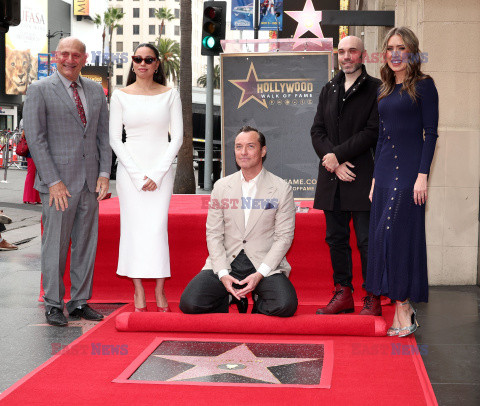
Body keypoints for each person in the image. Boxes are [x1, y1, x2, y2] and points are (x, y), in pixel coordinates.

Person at [23, 37, 111, 326]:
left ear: (85, 58)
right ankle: (52, 303)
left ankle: (79, 302)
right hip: (57, 186)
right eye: (64, 54)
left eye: (76, 55)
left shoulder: (97, 91)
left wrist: (104, 174)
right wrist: (53, 181)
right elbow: (36, 140)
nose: (69, 60)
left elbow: (103, 136)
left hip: (89, 184)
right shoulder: (38, 90)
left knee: (85, 244)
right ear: (55, 56)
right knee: (55, 246)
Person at [179, 126, 298, 317]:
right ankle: (228, 297)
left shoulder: (281, 188)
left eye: (250, 146)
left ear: (263, 151)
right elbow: (214, 234)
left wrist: (260, 274)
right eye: (238, 147)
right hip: (228, 260)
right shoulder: (221, 187)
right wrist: (223, 273)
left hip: (263, 262)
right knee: (190, 303)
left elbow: (284, 237)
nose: (243, 152)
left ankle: (259, 302)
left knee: (285, 305)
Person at [366, 27, 438, 337]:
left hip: (409, 175)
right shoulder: (383, 89)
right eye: (390, 48)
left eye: (401, 48)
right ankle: (401, 307)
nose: (395, 53)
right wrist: (372, 179)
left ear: (411, 52)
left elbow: (431, 133)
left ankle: (404, 307)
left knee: (395, 238)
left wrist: (423, 175)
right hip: (383, 174)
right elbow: (382, 136)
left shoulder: (424, 86)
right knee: (383, 241)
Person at [109, 43, 183, 312]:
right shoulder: (120, 96)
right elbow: (116, 140)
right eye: (137, 58)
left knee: (156, 230)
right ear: (133, 62)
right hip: (130, 175)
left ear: (156, 64)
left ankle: (160, 289)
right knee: (133, 230)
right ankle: (139, 289)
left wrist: (157, 173)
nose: (142, 63)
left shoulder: (170, 95)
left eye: (148, 59)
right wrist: (138, 174)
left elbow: (177, 138)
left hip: (161, 172)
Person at [310, 36, 381, 316]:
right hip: (332, 178)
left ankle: (372, 296)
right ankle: (343, 293)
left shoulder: (376, 89)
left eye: (352, 51)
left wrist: (337, 156)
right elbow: (317, 131)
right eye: (341, 52)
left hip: (362, 177)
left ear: (363, 55)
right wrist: (333, 161)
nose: (346, 56)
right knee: (336, 239)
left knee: (366, 240)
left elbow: (372, 131)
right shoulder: (329, 89)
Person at [19, 119, 41, 205]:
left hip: (34, 151)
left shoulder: (26, 121)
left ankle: (34, 198)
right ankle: (29, 198)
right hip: (32, 152)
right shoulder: (26, 121)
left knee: (35, 175)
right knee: (31, 174)